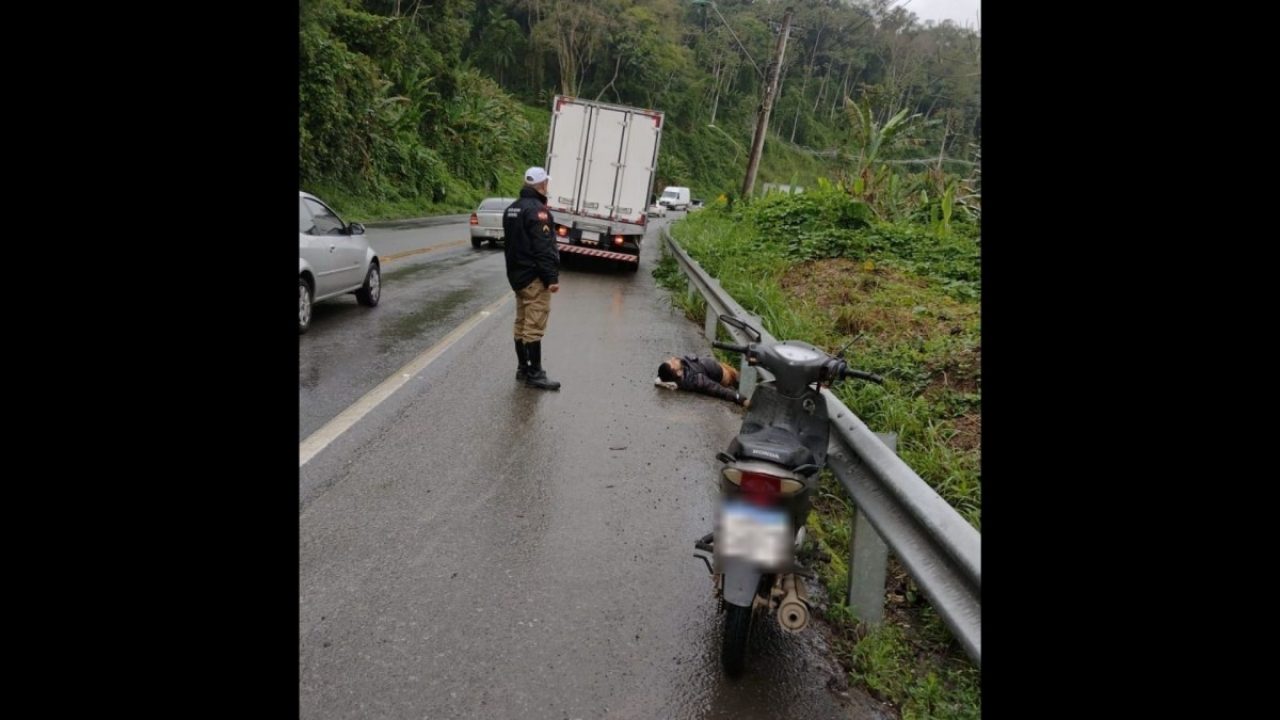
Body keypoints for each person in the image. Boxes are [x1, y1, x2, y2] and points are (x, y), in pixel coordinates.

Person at [503, 167, 562, 390]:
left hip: (517, 276)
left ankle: (523, 368)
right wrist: (551, 278)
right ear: (542, 185)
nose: (548, 185)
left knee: (521, 322)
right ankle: (535, 373)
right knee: (534, 324)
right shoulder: (539, 212)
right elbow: (543, 248)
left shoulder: (512, 209)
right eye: (547, 182)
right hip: (534, 277)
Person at [655, 355, 747, 406]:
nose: (673, 358)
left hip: (717, 365)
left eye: (671, 360)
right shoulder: (697, 380)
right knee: (744, 379)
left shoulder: (681, 369)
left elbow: (661, 377)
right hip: (728, 374)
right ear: (678, 373)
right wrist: (739, 398)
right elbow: (717, 389)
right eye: (673, 362)